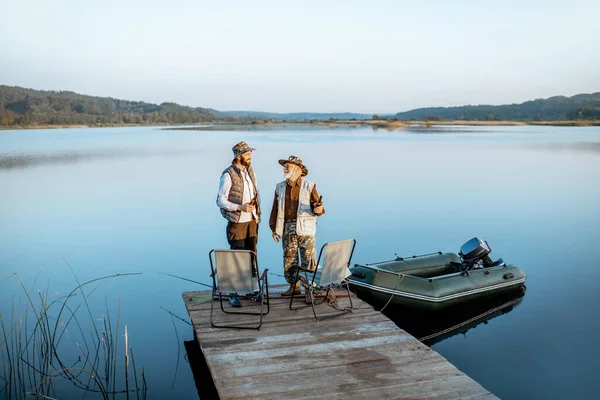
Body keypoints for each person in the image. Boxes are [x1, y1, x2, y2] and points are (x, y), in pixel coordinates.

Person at [269, 156, 325, 297]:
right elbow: (275, 209)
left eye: (287, 166)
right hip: (287, 227)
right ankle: (294, 287)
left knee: (308, 259)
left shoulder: (309, 185)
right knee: (289, 259)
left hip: (306, 229)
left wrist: (318, 209)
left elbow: (318, 208)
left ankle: (309, 289)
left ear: (298, 169)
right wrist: (274, 228)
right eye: (284, 166)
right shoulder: (279, 187)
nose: (284, 169)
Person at [216, 141, 261, 307]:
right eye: (248, 153)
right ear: (239, 156)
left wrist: (256, 212)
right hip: (237, 223)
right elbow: (220, 200)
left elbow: (255, 192)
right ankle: (232, 293)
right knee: (237, 258)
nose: (250, 156)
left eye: (250, 153)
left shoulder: (250, 170)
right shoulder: (228, 174)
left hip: (252, 221)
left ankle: (252, 290)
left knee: (251, 257)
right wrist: (239, 207)